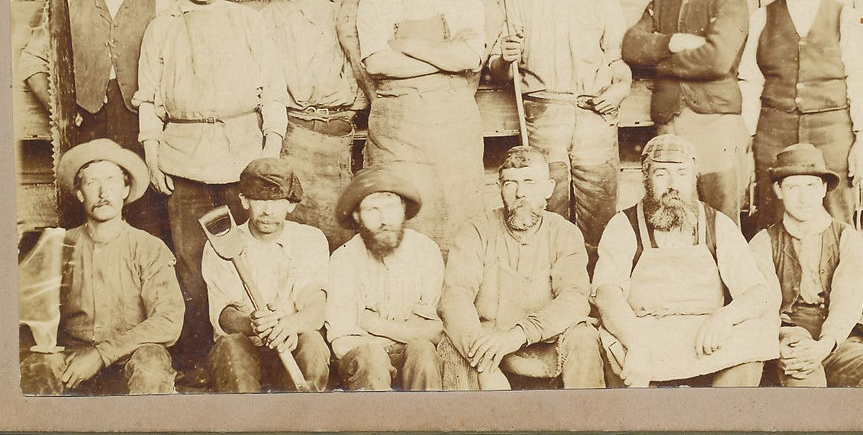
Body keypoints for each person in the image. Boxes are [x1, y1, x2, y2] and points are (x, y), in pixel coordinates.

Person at [133, 0, 285, 371]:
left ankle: (255, 353)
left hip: (243, 159)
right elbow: (148, 99)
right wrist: (152, 153)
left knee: (250, 255)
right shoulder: (162, 28)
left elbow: (273, 91)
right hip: (183, 159)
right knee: (191, 262)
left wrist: (270, 150)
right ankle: (200, 360)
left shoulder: (249, 22)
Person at [488, 0, 630, 265]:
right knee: (547, 206)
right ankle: (551, 282)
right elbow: (499, 70)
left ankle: (596, 286)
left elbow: (617, 62)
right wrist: (505, 58)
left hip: (594, 114)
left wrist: (621, 88)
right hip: (543, 113)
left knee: (599, 207)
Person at [18, 0, 172, 234]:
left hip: (143, 124)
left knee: (148, 214)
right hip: (85, 123)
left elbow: (178, 66)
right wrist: (61, 110)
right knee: (87, 212)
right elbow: (32, 61)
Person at [592, 134, 778, 387]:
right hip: (644, 332)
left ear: (693, 177)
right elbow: (607, 295)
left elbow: (756, 292)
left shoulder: (718, 224)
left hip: (705, 333)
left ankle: (724, 412)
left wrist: (726, 317)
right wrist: (635, 343)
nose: (673, 184)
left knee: (757, 332)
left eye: (682, 173)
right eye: (661, 174)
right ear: (646, 178)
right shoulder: (623, 225)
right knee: (616, 350)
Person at [354, 0, 486, 252]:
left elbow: (471, 57)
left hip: (455, 128)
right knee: (402, 221)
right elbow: (377, 63)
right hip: (398, 130)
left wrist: (410, 45)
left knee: (460, 223)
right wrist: (445, 55)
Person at [738, 0, 863, 229]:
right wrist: (748, 143)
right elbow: (749, 83)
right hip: (774, 136)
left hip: (832, 137)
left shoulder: (847, 16)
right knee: (774, 221)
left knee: (837, 220)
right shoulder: (760, 18)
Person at [19, 139, 184, 395]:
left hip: (131, 355)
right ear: (80, 193)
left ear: (125, 190)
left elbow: (168, 320)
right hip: (73, 359)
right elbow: (29, 316)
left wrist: (101, 354)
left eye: (112, 181)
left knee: (152, 362)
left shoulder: (149, 247)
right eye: (92, 183)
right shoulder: (60, 245)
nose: (103, 193)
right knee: (38, 365)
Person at [621, 0, 750, 225]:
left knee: (722, 219)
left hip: (716, 123)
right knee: (672, 214)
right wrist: (671, 42)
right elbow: (631, 46)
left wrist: (660, 65)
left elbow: (717, 60)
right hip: (670, 123)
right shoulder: (662, 1)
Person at [438, 145, 605, 390]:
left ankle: (586, 414)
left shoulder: (564, 232)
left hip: (548, 344)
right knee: (450, 345)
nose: (520, 193)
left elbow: (575, 298)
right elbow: (455, 298)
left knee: (584, 336)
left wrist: (519, 333)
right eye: (510, 183)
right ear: (499, 188)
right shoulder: (476, 231)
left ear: (548, 188)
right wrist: (483, 361)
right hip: (488, 346)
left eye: (529, 182)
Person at [256, 0, 364, 251]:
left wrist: (349, 109)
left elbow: (358, 65)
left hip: (336, 138)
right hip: (290, 135)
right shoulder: (257, 23)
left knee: (340, 234)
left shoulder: (335, 13)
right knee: (292, 236)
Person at [749, 143, 863, 387]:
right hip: (788, 339)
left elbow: (847, 302)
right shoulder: (763, 242)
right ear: (778, 190)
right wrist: (779, 343)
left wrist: (826, 344)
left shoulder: (847, 238)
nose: (803, 198)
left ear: (824, 188)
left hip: (836, 341)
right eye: (793, 187)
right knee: (804, 379)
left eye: (811, 186)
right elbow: (765, 307)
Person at [201, 157, 330, 393]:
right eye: (259, 200)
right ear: (244, 200)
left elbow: (316, 306)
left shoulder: (311, 239)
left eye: (277, 201)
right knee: (231, 346)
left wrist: (289, 325)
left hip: (293, 340)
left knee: (313, 343)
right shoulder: (220, 243)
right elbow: (224, 315)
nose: (268, 211)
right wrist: (253, 323)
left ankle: (306, 413)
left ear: (291, 204)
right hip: (246, 345)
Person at [325, 166, 445, 391]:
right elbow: (342, 342)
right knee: (372, 358)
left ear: (403, 209)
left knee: (423, 352)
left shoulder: (425, 250)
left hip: (411, 356)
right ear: (357, 216)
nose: (384, 220)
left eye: (391, 207)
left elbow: (435, 332)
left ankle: (427, 413)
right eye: (372, 209)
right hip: (363, 362)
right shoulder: (344, 259)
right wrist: (406, 332)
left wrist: (372, 323)